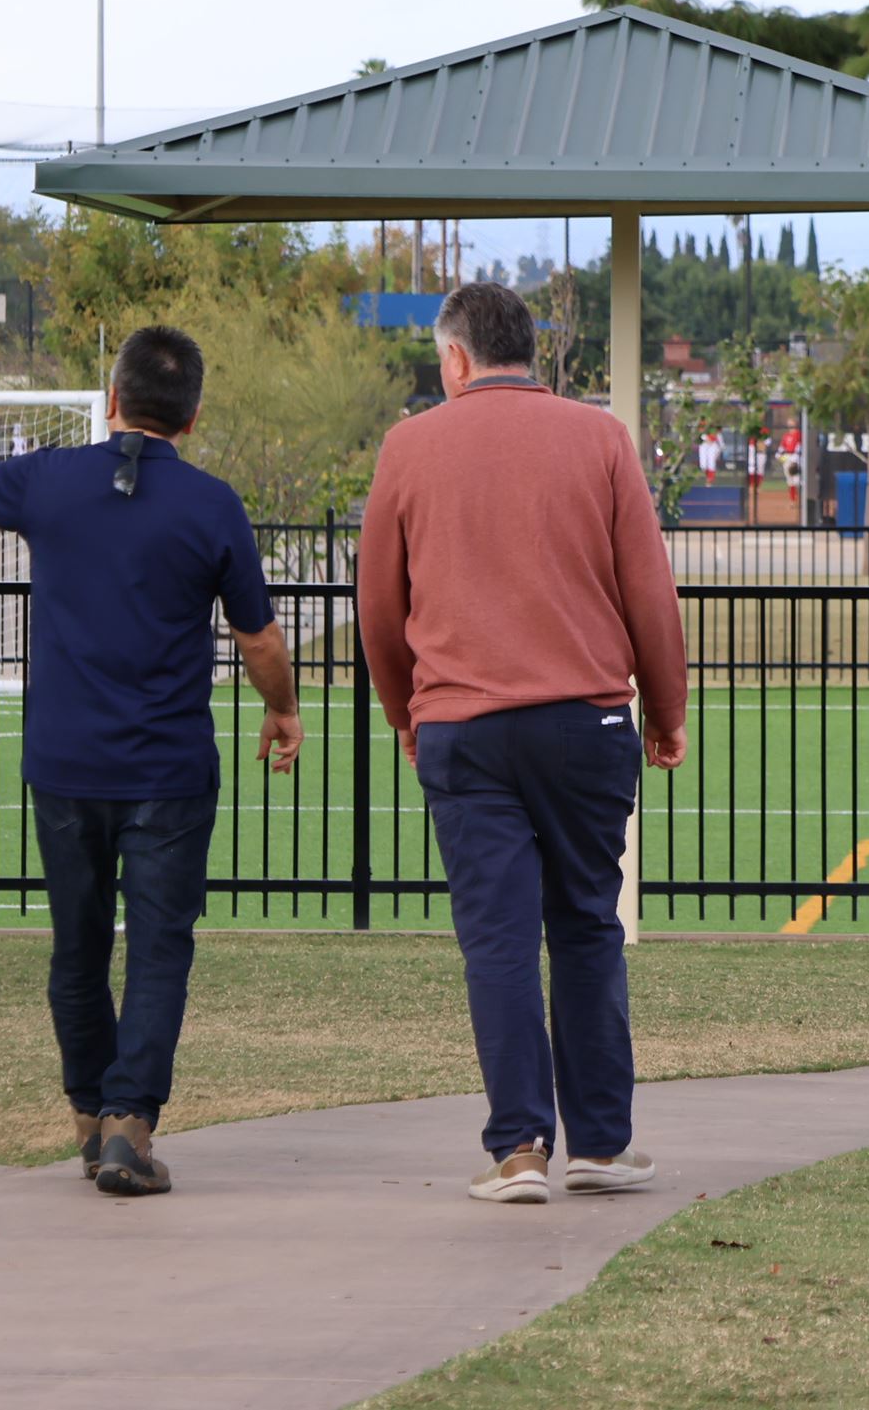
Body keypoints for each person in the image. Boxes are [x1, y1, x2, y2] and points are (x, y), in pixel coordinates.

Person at [0, 325, 303, 1198]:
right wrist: (280, 709)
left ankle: (91, 1119)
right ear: (193, 416)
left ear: (114, 398)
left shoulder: (48, 480)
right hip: (167, 770)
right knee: (160, 949)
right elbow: (262, 638)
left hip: (63, 764)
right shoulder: (212, 506)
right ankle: (131, 1122)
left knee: (78, 947)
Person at [359, 282, 688, 1206]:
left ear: (455, 359)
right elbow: (648, 594)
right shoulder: (600, 440)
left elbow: (380, 606)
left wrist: (404, 709)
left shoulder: (409, 446)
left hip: (464, 725)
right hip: (585, 720)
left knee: (496, 938)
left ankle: (519, 1148)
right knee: (588, 923)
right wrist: (666, 709)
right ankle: (601, 1141)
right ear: (530, 353)